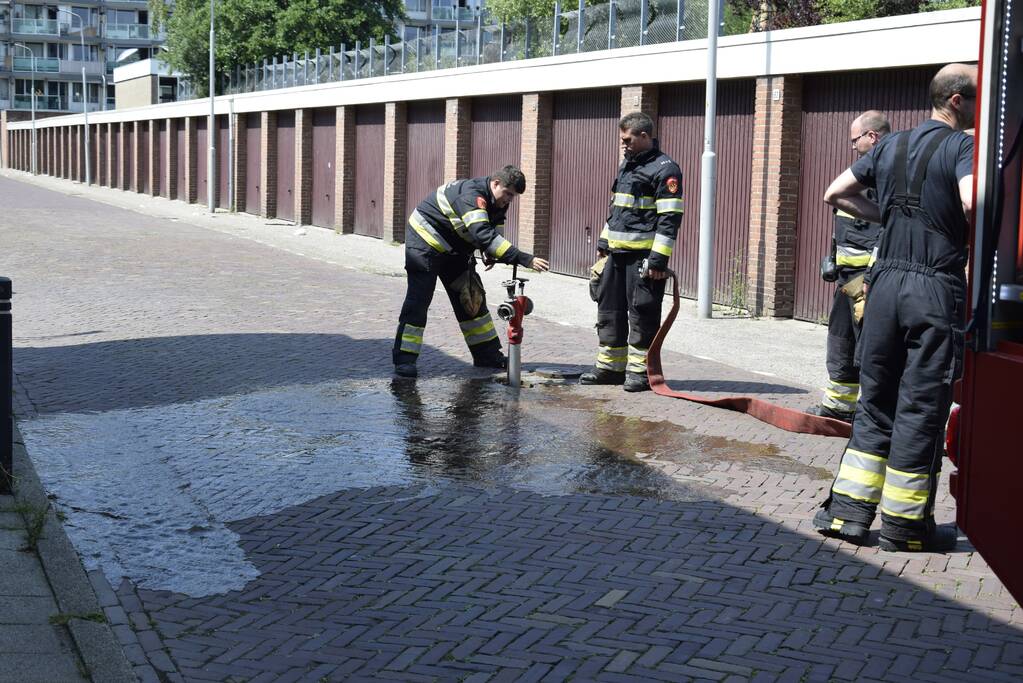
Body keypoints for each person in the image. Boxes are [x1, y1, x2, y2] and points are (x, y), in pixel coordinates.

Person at [813, 64, 976, 552]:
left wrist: (887, 214)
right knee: (921, 406)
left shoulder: (888, 144)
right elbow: (972, 202)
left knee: (876, 400)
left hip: (883, 288)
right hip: (933, 289)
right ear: (956, 101)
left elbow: (835, 193)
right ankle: (905, 529)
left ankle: (847, 517)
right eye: (975, 98)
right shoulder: (961, 146)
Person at [392, 166, 550, 378]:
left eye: (514, 196)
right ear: (495, 183)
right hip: (425, 245)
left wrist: (490, 253)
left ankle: (487, 355)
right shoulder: (471, 196)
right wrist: (524, 258)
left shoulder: (497, 200)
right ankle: (404, 360)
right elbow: (483, 234)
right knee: (418, 301)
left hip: (456, 251)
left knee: (472, 299)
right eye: (508, 194)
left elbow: (494, 228)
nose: (510, 200)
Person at [579, 111, 684, 392]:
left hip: (644, 260)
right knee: (609, 310)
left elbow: (670, 218)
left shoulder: (665, 169)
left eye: (627, 140)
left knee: (642, 313)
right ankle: (610, 369)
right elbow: (617, 209)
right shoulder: (627, 165)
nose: (623, 145)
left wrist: (659, 260)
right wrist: (603, 243)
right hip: (616, 255)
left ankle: (640, 373)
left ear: (644, 136)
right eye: (622, 140)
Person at [808, 111, 890, 423]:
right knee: (841, 343)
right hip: (846, 279)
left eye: (855, 139)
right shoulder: (860, 176)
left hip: (866, 283)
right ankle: (839, 408)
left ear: (873, 137)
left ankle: (871, 414)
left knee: (869, 350)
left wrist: (870, 277)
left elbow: (888, 232)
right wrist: (832, 258)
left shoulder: (887, 179)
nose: (852, 146)